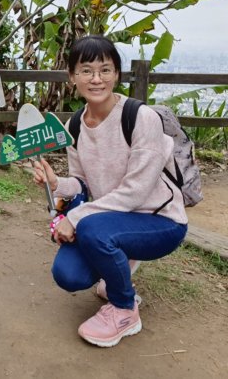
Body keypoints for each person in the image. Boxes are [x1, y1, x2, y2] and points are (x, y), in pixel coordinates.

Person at [32, 35, 188, 347]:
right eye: (86, 70)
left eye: (105, 70)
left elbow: (135, 192)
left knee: (90, 229)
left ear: (116, 74)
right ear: (72, 76)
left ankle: (124, 309)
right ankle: (118, 265)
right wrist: (55, 183)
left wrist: (75, 218)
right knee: (69, 274)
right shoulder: (75, 126)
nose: (96, 79)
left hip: (160, 221)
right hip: (113, 220)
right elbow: (82, 184)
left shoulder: (140, 118)